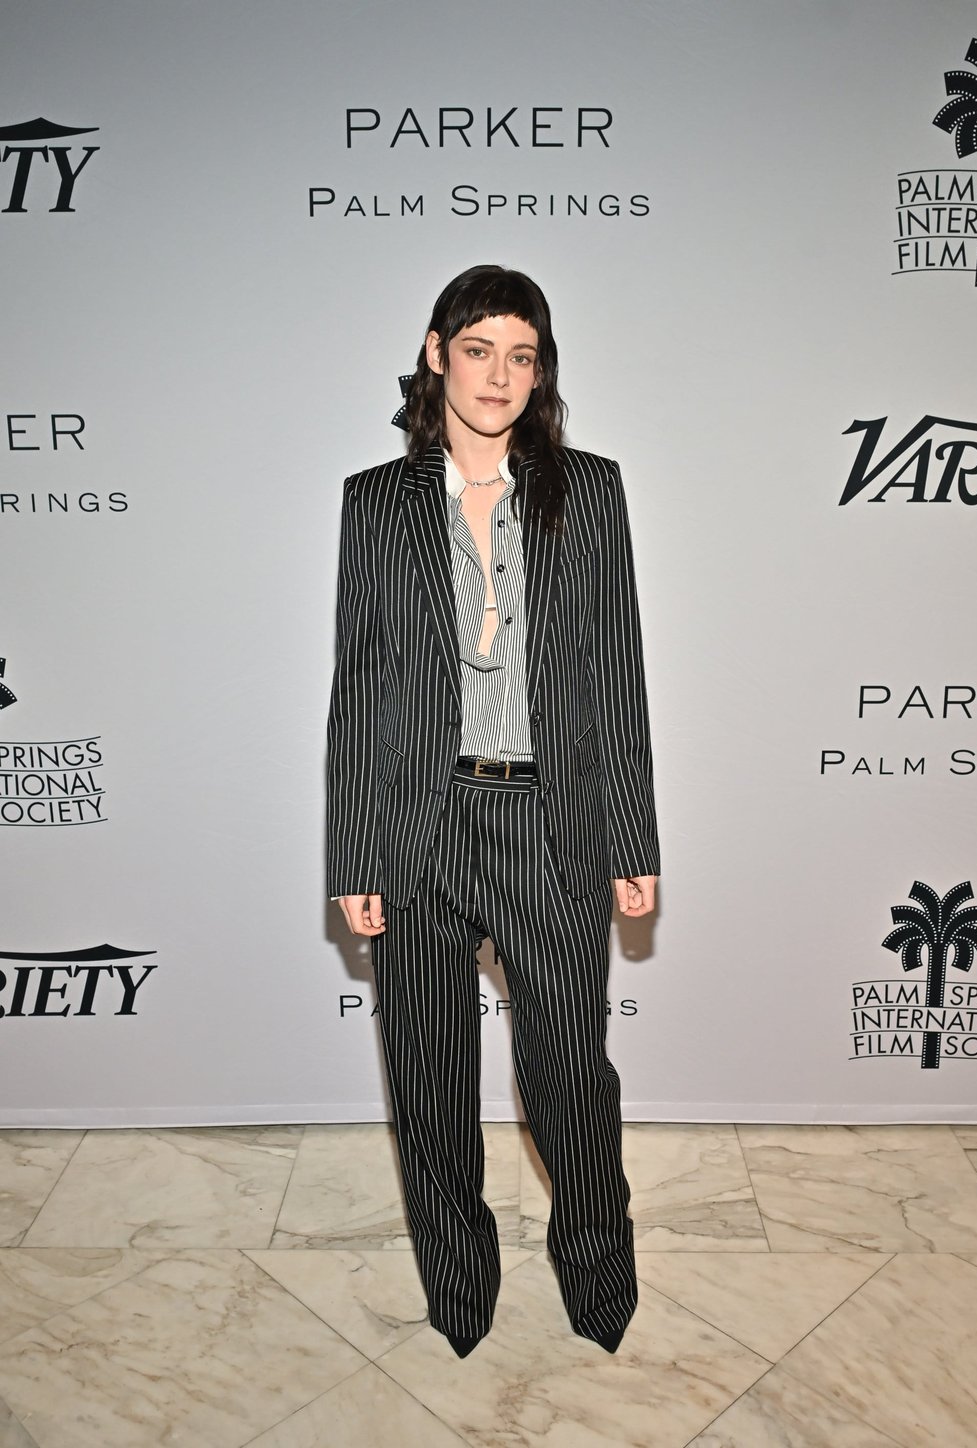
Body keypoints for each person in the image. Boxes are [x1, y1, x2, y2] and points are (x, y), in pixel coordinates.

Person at [326, 264, 659, 1359]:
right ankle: (459, 1294)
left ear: (539, 370)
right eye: (479, 350)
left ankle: (598, 1283)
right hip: (419, 830)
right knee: (425, 1084)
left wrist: (633, 836)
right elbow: (358, 685)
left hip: (549, 823)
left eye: (521, 355)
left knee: (570, 1076)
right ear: (437, 354)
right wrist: (353, 851)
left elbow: (616, 672)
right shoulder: (374, 501)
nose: (499, 375)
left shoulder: (589, 490)